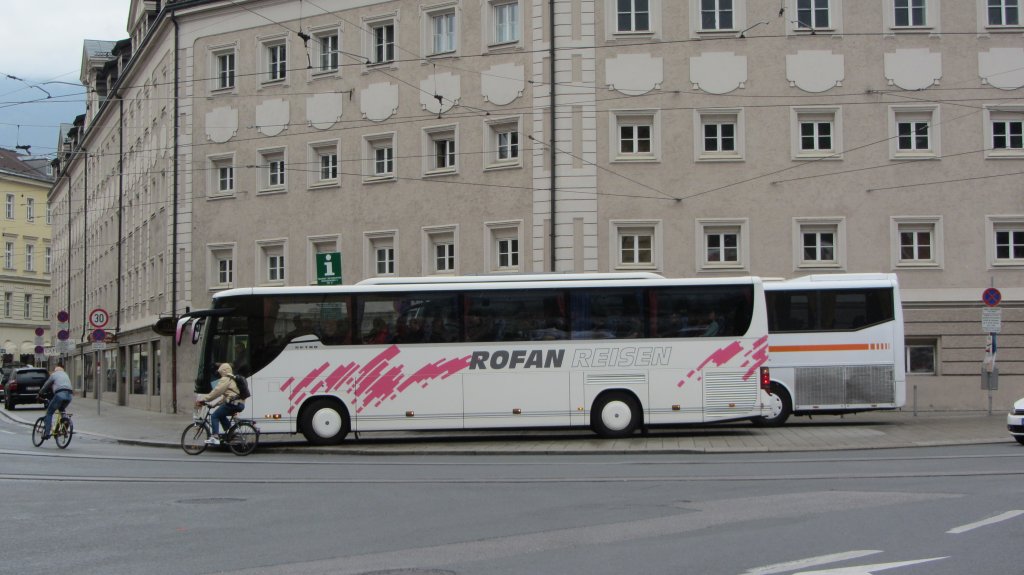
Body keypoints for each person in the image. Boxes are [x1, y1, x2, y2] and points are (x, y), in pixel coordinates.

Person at [195, 362, 244, 445]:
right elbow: (224, 398)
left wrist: (204, 399)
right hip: (239, 404)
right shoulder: (231, 379)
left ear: (223, 371)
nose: (219, 373)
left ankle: (215, 437)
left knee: (214, 416)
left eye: (220, 372)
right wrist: (213, 405)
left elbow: (216, 392)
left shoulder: (225, 379)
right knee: (221, 414)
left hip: (233, 403)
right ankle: (231, 433)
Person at [38, 364, 73, 440]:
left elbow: (46, 385)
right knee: (62, 409)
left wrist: (40, 393)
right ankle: (65, 422)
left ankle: (47, 433)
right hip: (69, 395)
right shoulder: (65, 374)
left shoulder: (54, 375)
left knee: (49, 413)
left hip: (60, 394)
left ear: (55, 370)